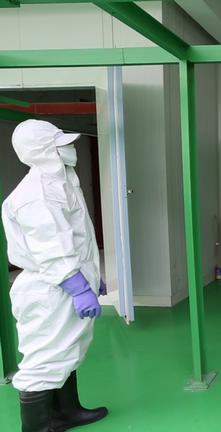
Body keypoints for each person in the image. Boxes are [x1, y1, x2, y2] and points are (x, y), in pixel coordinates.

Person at [2, 120, 108, 431]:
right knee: (44, 359)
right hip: (50, 287)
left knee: (67, 349)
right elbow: (51, 249)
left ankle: (66, 413)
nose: (69, 148)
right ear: (42, 150)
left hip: (64, 282)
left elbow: (77, 237)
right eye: (60, 144)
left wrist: (91, 276)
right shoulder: (36, 194)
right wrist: (78, 288)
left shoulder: (60, 183)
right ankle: (37, 427)